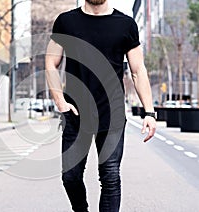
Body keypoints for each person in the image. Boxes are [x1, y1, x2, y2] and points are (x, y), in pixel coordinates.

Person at [45, 0, 156, 211]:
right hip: (75, 112)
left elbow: (138, 70)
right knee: (70, 176)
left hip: (111, 112)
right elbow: (51, 63)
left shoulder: (125, 24)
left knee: (111, 176)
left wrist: (149, 112)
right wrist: (60, 102)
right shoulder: (66, 22)